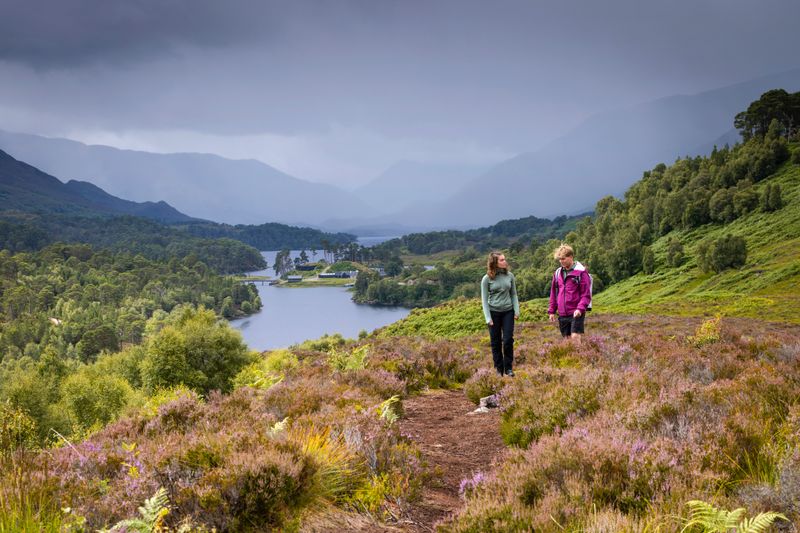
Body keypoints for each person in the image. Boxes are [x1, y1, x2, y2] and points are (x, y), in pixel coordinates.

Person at [481, 251, 520, 376]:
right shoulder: (486, 279)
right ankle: (499, 369)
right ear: (495, 263)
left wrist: (516, 310)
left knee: (508, 340)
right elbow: (484, 300)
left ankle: (508, 368)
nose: (505, 261)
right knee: (495, 342)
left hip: (508, 311)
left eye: (505, 259)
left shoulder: (510, 276)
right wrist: (488, 318)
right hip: (494, 313)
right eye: (502, 260)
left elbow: (513, 294)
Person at [548, 244, 591, 343]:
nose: (561, 261)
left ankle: (580, 357)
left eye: (563, 258)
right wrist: (551, 311)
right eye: (559, 259)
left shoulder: (581, 273)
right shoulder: (557, 273)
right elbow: (554, 293)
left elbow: (586, 295)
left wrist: (580, 309)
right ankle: (574, 357)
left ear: (571, 257)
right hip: (562, 313)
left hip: (576, 312)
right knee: (567, 340)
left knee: (575, 336)